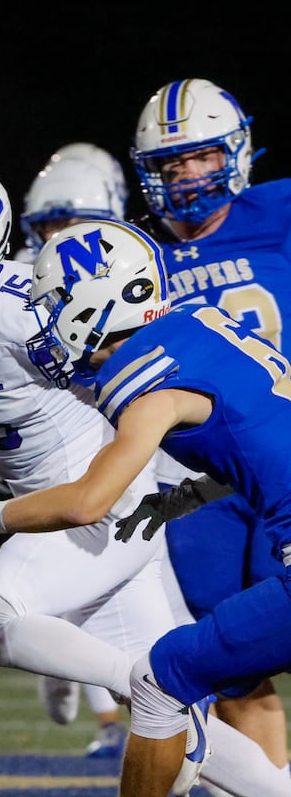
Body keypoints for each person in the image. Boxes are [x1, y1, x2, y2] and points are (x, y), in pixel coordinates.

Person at [0, 152, 221, 778]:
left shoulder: (29, 309)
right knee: (180, 736)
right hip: (42, 512)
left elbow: (143, 385)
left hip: (104, 504)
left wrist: (192, 472)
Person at [0, 218, 291, 796]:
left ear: (91, 303)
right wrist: (191, 494)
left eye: (54, 305)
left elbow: (87, 503)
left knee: (160, 679)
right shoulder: (203, 322)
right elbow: (259, 427)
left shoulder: (140, 375)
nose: (46, 323)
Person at [122, 76, 291, 779]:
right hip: (204, 483)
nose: (188, 174)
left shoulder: (278, 210)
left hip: (282, 453)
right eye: (171, 162)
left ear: (236, 152)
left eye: (201, 157)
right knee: (235, 665)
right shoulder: (130, 260)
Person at [0, 142, 139, 758]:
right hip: (60, 460)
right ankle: (120, 707)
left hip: (121, 450)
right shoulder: (21, 288)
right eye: (48, 226)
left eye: (73, 224)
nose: (59, 238)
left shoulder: (130, 274)